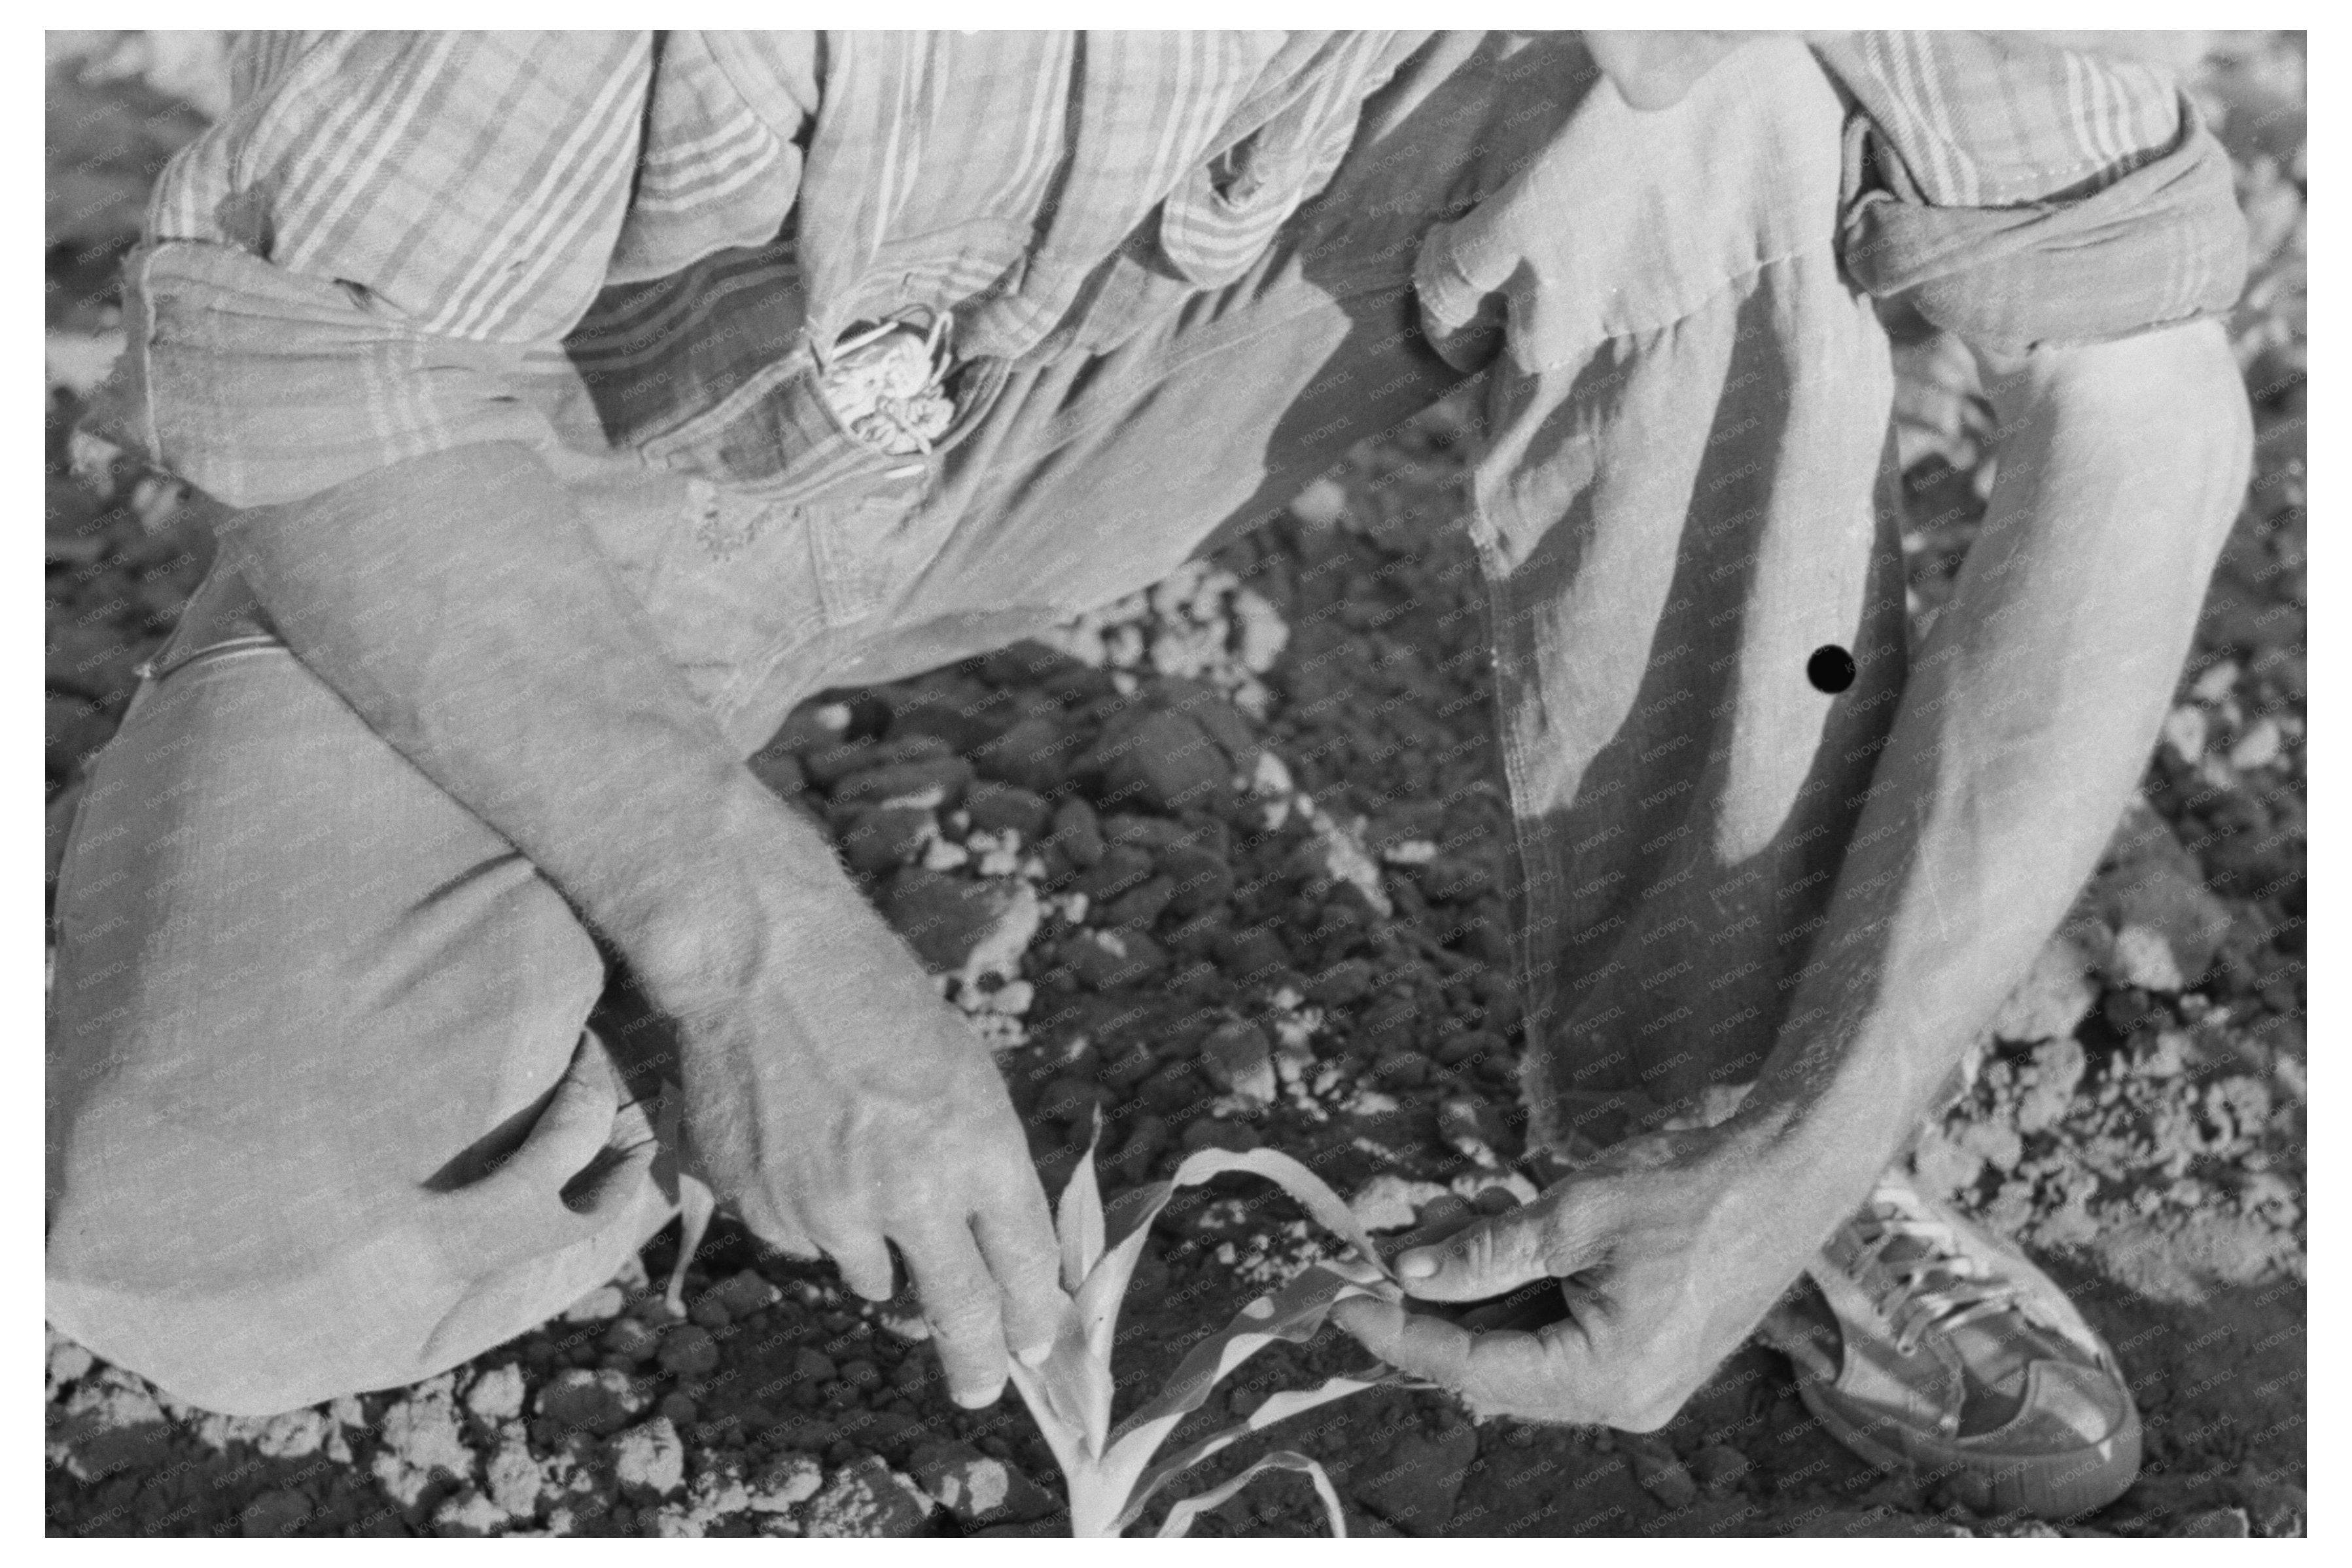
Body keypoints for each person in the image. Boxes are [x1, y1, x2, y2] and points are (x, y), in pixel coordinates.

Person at [49, 30, 2249, 1522]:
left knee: (1725, 96)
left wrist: (1806, 1132)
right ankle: (629, 909)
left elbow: (2138, 398)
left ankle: (1712, 1114)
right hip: (597, 467)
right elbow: (327, 364)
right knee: (214, 1233)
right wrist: (734, 940)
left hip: (1167, 367)